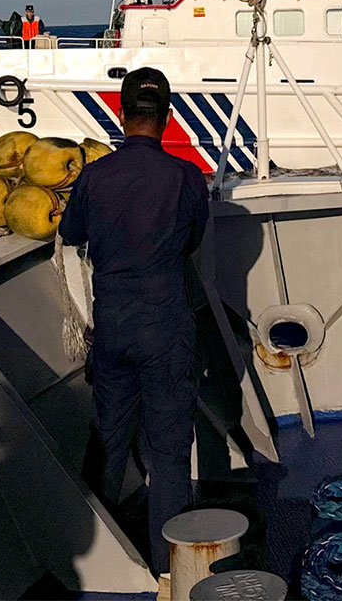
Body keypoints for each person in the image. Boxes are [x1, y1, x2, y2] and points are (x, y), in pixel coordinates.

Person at [60, 67, 210, 575]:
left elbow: (72, 233)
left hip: (114, 328)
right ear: (167, 118)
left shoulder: (94, 176)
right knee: (168, 454)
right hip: (166, 327)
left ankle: (99, 565)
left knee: (108, 440)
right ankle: (168, 573)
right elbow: (194, 239)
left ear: (122, 115)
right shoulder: (186, 177)